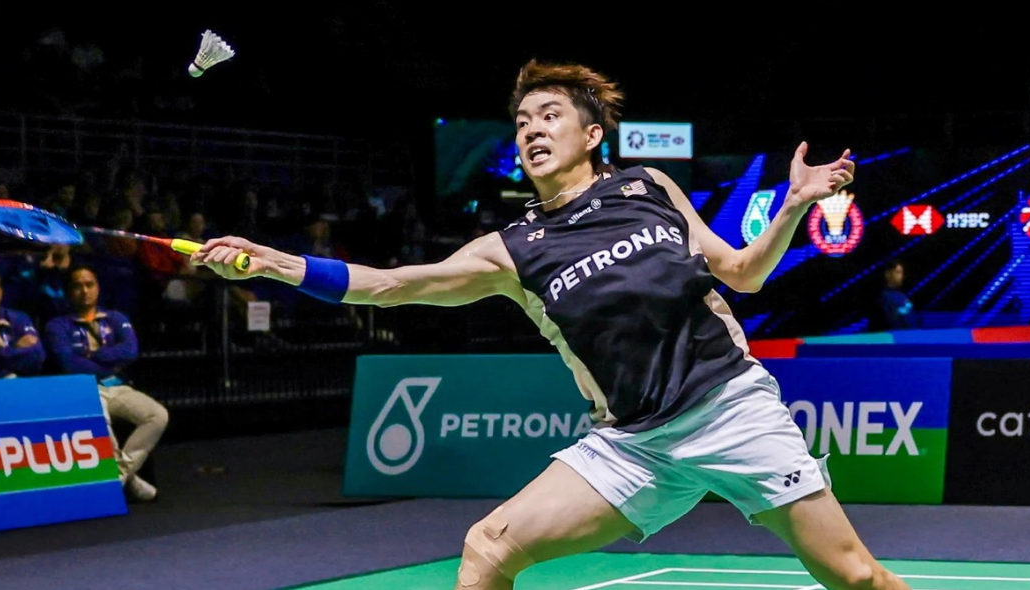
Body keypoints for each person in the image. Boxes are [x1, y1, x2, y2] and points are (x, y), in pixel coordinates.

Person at [192, 60, 910, 590]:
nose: (532, 129)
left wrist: (792, 205)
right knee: (489, 548)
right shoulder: (510, 249)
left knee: (855, 577)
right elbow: (389, 286)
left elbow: (745, 273)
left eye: (549, 116)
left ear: (592, 133)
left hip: (731, 409)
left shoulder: (647, 188)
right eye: (524, 121)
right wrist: (278, 264)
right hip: (634, 444)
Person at [44, 264, 167, 502]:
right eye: (77, 286)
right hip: (85, 387)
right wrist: (111, 359)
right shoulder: (58, 326)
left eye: (89, 284)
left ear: (98, 288)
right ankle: (129, 481)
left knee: (157, 415)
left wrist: (94, 355)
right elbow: (69, 363)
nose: (84, 291)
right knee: (102, 419)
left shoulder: (115, 318)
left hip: (118, 386)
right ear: (69, 291)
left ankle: (120, 475)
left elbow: (130, 351)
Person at [875, 259, 921, 331]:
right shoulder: (884, 298)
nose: (901, 276)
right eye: (898, 272)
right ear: (888, 274)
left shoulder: (903, 296)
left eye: (902, 273)